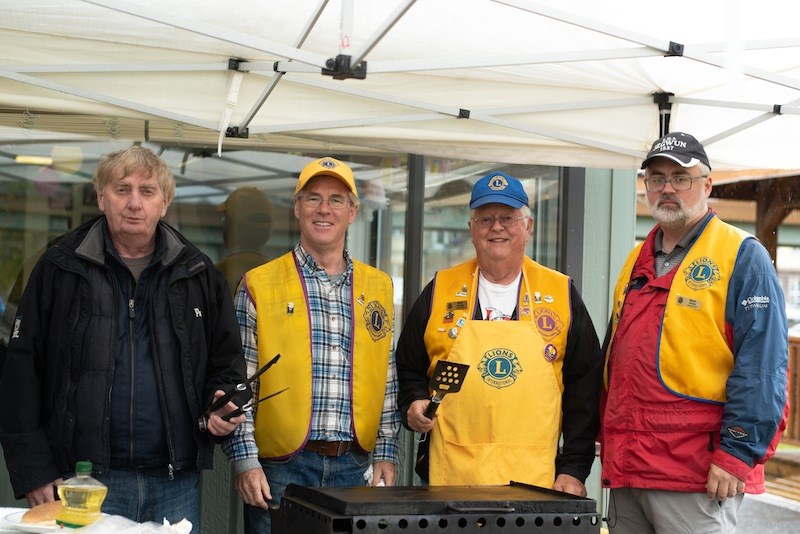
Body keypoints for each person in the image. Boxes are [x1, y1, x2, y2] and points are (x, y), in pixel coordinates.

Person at [0, 145, 247, 530]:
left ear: (164, 202)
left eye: (147, 191)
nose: (134, 203)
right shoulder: (59, 267)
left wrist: (220, 400)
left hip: (174, 481)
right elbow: (20, 371)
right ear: (101, 197)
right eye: (122, 189)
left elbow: (227, 362)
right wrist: (33, 469)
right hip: (83, 481)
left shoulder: (198, 272)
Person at [600, 132, 789, 533]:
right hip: (631, 467)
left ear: (706, 184)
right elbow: (615, 356)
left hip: (696, 474)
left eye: (680, 178)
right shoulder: (636, 258)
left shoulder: (742, 255)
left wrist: (737, 452)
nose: (667, 188)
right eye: (656, 178)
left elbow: (764, 365)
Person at [396, 171, 603, 495]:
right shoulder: (441, 289)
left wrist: (574, 468)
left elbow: (585, 388)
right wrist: (414, 400)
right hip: (450, 476)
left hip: (537, 479)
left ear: (528, 227)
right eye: (485, 218)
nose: (496, 227)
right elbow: (408, 365)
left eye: (508, 217)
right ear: (471, 229)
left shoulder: (560, 293)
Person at [222, 156, 399, 534]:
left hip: (355, 466)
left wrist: (386, 451)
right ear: (297, 207)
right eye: (313, 198)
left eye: (337, 200)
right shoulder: (258, 284)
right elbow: (241, 383)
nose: (324, 209)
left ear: (353, 212)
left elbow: (386, 374)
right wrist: (245, 459)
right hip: (279, 468)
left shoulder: (379, 286)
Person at [216, 186, 274, 294]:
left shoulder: (216, 273)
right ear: (268, 230)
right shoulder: (278, 273)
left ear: (231, 225)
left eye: (224, 218)